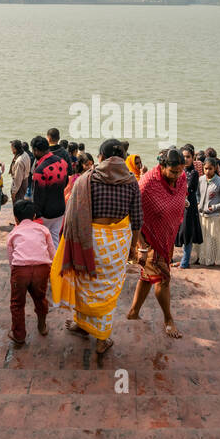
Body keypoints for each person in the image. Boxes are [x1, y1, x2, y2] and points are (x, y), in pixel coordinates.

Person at [51, 139, 143, 354]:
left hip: (88, 240)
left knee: (86, 283)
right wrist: (132, 247)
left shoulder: (87, 179)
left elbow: (72, 213)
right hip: (117, 242)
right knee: (107, 289)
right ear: (122, 157)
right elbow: (137, 219)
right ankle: (99, 336)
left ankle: (84, 326)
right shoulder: (131, 181)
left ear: (100, 156)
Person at [126, 148, 187, 338]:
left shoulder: (182, 179)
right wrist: (141, 246)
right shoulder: (147, 185)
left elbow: (178, 197)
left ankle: (133, 313)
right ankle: (168, 319)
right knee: (163, 279)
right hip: (150, 241)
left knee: (146, 277)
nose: (177, 176)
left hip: (167, 237)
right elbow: (133, 216)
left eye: (180, 171)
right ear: (162, 166)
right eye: (173, 172)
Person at [6, 200, 55, 346]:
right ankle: (42, 326)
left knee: (17, 303)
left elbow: (11, 257)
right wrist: (52, 269)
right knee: (40, 298)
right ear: (34, 215)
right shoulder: (43, 230)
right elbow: (52, 251)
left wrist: (14, 273)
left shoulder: (13, 233)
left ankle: (19, 335)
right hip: (42, 268)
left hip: (20, 270)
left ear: (16, 218)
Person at [30, 135, 69, 247]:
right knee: (55, 239)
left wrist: (36, 214)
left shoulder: (40, 170)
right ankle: (56, 263)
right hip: (61, 208)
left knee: (43, 242)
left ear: (36, 150)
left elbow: (38, 196)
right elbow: (65, 183)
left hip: (45, 212)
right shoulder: (62, 162)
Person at [194, 157, 220, 266]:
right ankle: (200, 258)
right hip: (201, 215)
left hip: (214, 216)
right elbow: (197, 193)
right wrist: (198, 202)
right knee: (201, 239)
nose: (207, 171)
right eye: (205, 168)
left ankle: (211, 260)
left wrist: (213, 207)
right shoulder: (201, 180)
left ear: (215, 169)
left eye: (210, 169)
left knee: (212, 240)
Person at [176, 145, 203, 268]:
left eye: (188, 157)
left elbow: (187, 189)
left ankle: (185, 261)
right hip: (176, 205)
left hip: (188, 207)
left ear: (193, 158)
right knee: (176, 231)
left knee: (187, 233)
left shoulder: (194, 173)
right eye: (183, 156)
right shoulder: (177, 171)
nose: (186, 159)